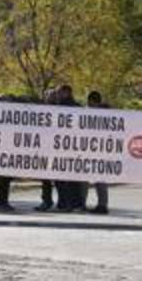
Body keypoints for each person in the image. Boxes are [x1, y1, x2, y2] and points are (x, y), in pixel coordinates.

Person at [53, 84, 85, 212]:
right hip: (72, 148)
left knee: (61, 178)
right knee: (72, 179)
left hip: (63, 148)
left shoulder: (60, 108)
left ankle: (65, 203)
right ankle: (74, 203)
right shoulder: (78, 108)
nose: (57, 95)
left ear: (67, 92)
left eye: (59, 92)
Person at [86, 90, 111, 214]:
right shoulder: (109, 114)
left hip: (100, 151)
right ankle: (102, 204)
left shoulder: (101, 115)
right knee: (99, 179)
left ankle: (102, 205)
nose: (88, 106)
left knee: (100, 179)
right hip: (99, 150)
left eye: (90, 103)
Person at [36, 88, 57, 212]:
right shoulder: (41, 111)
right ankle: (46, 200)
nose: (49, 97)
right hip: (44, 149)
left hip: (55, 150)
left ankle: (62, 202)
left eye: (51, 95)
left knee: (59, 180)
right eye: (48, 95)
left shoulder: (61, 111)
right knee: (45, 179)